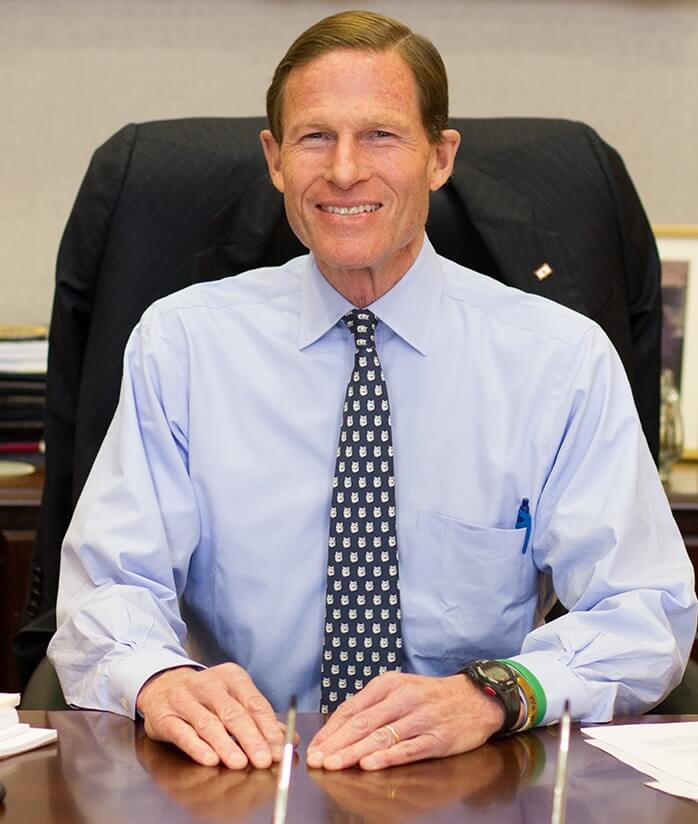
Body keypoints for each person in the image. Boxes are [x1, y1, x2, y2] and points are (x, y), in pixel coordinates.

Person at [48, 10, 697, 773]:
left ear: (440, 156)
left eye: (381, 135)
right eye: (314, 136)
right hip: (241, 771)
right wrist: (158, 676)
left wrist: (499, 692)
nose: (345, 170)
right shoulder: (183, 344)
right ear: (275, 158)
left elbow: (644, 612)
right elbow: (107, 590)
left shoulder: (558, 361)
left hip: (473, 773)